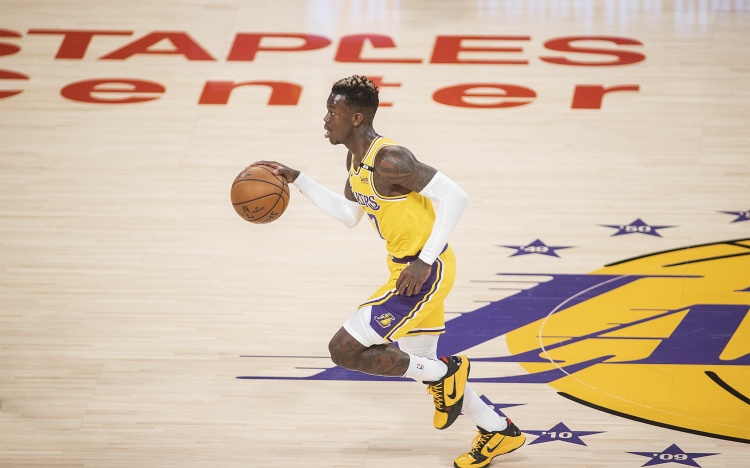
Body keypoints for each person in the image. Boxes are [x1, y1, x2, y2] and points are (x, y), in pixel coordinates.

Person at [253, 75, 525, 468]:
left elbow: (456, 197)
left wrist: (424, 260)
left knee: (343, 349)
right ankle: (498, 428)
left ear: (356, 118)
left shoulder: (390, 160)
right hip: (407, 269)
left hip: (425, 271)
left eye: (332, 111)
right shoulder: (356, 161)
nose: (325, 118)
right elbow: (349, 214)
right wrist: (299, 179)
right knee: (419, 363)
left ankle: (446, 373)